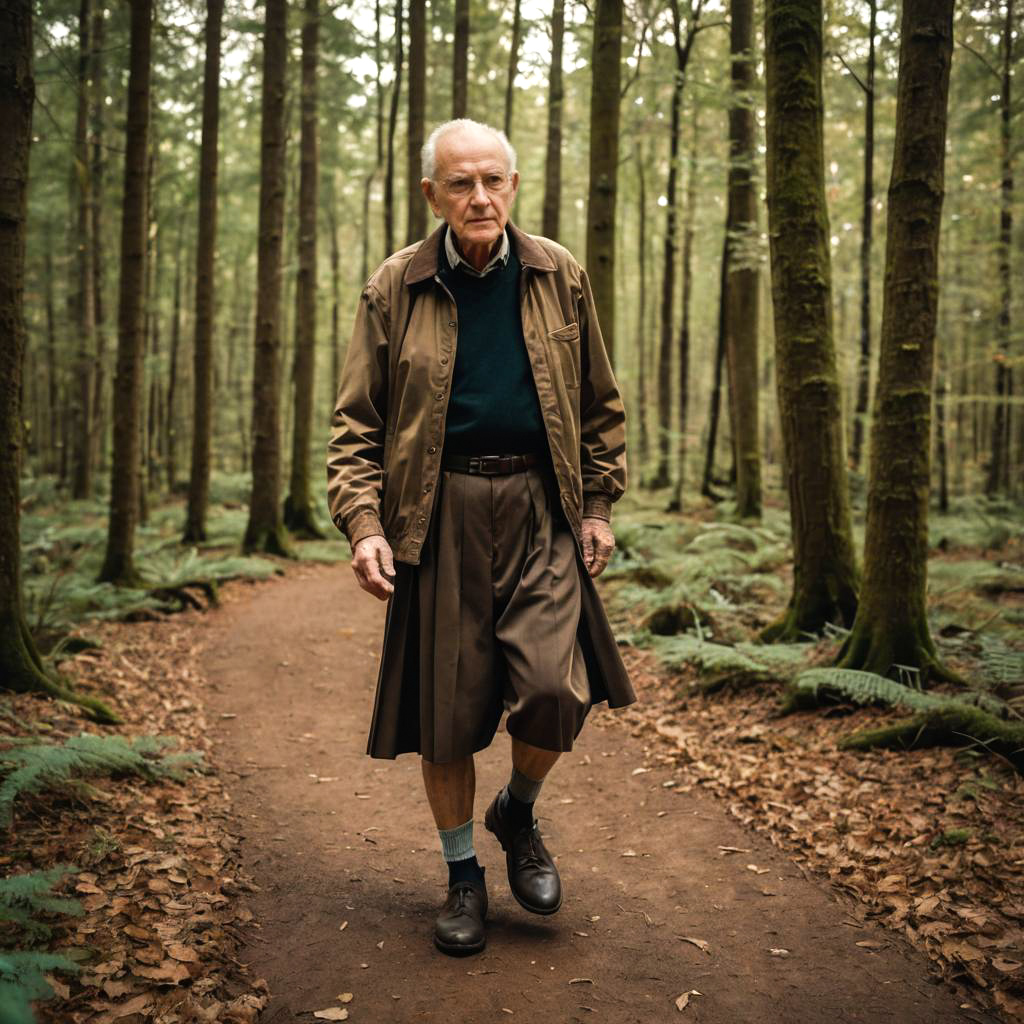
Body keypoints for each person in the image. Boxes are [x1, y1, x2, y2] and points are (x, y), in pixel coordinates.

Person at [326, 118, 635, 956]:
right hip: (440, 513)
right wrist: (363, 525)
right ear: (432, 193)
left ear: (513, 185)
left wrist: (598, 507)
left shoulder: (558, 274)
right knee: (449, 716)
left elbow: (602, 406)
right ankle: (463, 875)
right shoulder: (397, 286)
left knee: (553, 691)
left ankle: (518, 812)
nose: (480, 197)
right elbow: (355, 425)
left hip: (543, 508)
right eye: (460, 183)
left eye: (493, 180)